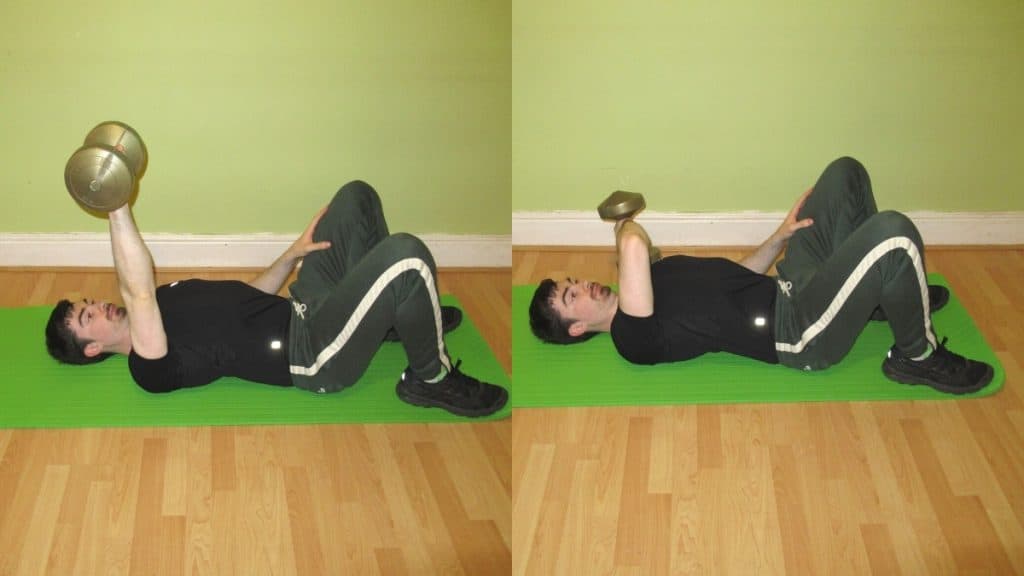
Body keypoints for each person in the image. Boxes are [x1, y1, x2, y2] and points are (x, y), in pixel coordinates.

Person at [529, 157, 993, 395]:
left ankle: (876, 296)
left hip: (791, 284)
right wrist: (622, 219)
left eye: (572, 282)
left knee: (845, 175)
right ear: (577, 328)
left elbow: (734, 277)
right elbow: (631, 243)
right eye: (572, 297)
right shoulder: (632, 335)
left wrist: (780, 236)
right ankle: (916, 355)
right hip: (799, 331)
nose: (582, 286)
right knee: (896, 234)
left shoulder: (655, 275)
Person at [46, 180, 508, 417]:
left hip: (304, 305)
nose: (100, 306)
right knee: (407, 256)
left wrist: (292, 253)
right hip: (312, 354)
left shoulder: (169, 297)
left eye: (89, 303)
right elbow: (137, 290)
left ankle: (385, 317)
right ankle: (430, 378)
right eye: (88, 317)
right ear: (92, 349)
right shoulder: (148, 365)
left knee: (356, 199)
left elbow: (243, 299)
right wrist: (116, 203)